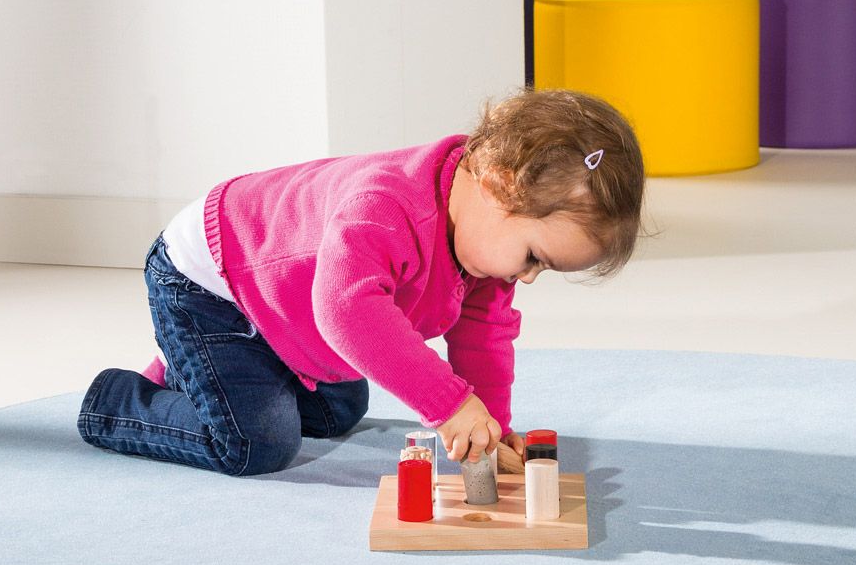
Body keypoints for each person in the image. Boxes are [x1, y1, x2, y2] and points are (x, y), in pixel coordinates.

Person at [78, 87, 646, 476]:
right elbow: (347, 313)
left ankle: (202, 373)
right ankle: (121, 399)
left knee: (338, 410)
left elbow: (484, 340)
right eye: (533, 257)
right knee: (258, 443)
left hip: (286, 307)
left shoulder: (487, 242)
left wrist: (490, 431)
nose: (527, 276)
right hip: (211, 285)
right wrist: (450, 405)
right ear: (497, 182)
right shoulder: (386, 202)